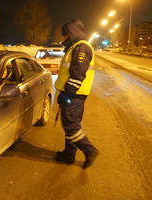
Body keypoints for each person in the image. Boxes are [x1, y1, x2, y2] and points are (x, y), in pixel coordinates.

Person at [54, 19, 99, 169]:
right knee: (71, 125)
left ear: (72, 33)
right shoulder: (75, 47)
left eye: (65, 34)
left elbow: (78, 73)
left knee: (71, 126)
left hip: (74, 94)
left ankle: (89, 150)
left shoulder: (81, 48)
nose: (64, 37)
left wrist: (68, 93)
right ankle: (69, 154)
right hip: (72, 93)